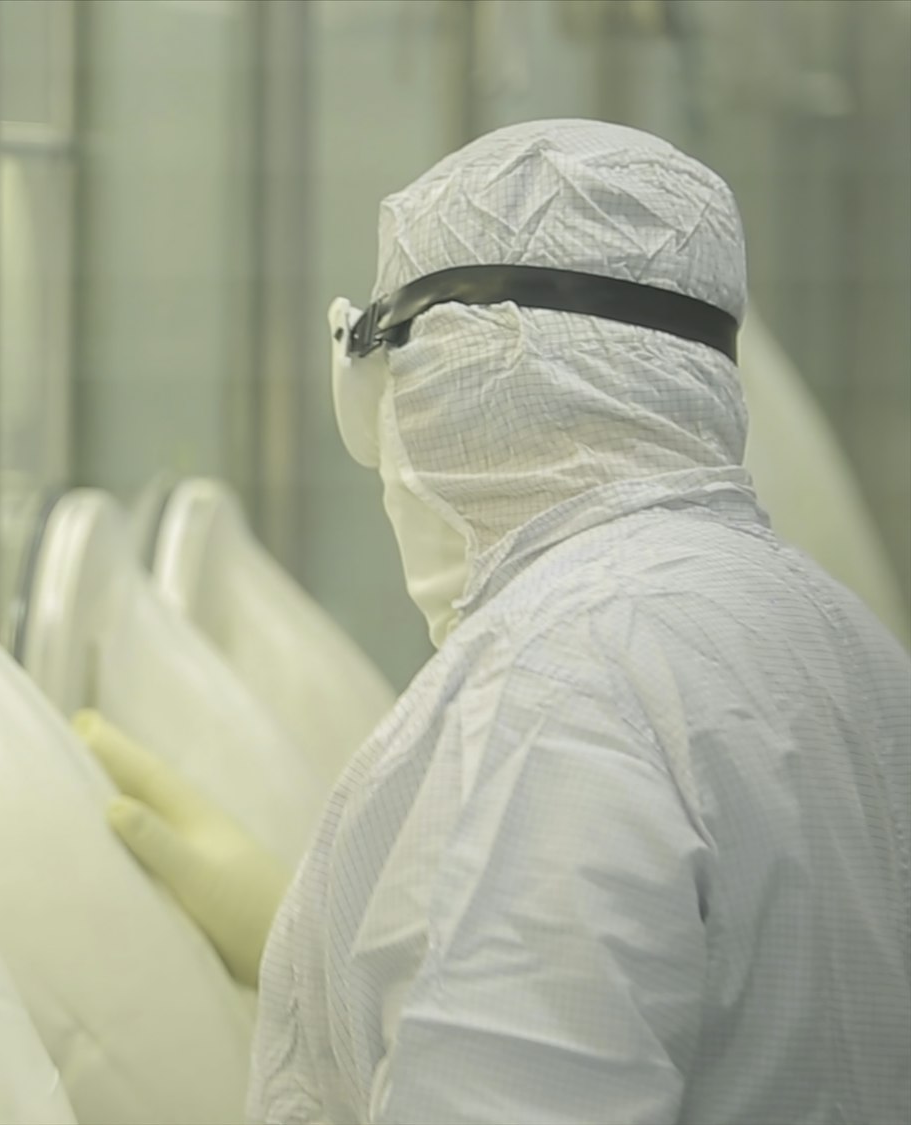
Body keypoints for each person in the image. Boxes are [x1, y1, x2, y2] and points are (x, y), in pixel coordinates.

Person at [81, 119, 911, 1123]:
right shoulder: (846, 643)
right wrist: (315, 949)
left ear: (448, 368)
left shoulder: (557, 691)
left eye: (371, 386)